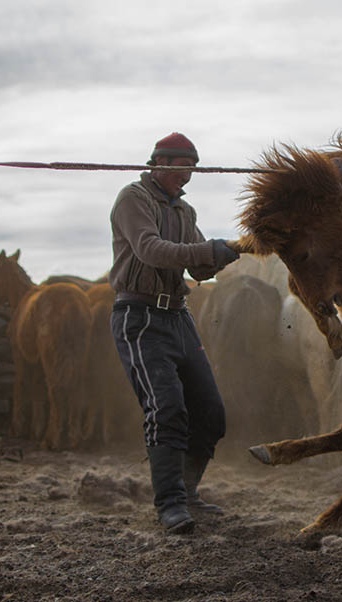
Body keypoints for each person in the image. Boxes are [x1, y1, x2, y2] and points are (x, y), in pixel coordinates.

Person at [108, 132, 239, 534]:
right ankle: (170, 504)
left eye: (193, 171)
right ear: (160, 162)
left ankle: (187, 489)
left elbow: (198, 268)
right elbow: (151, 249)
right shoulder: (133, 198)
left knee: (211, 412)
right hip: (140, 317)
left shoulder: (185, 211)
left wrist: (231, 250)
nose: (188, 179)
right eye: (185, 169)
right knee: (166, 409)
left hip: (178, 317)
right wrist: (206, 250)